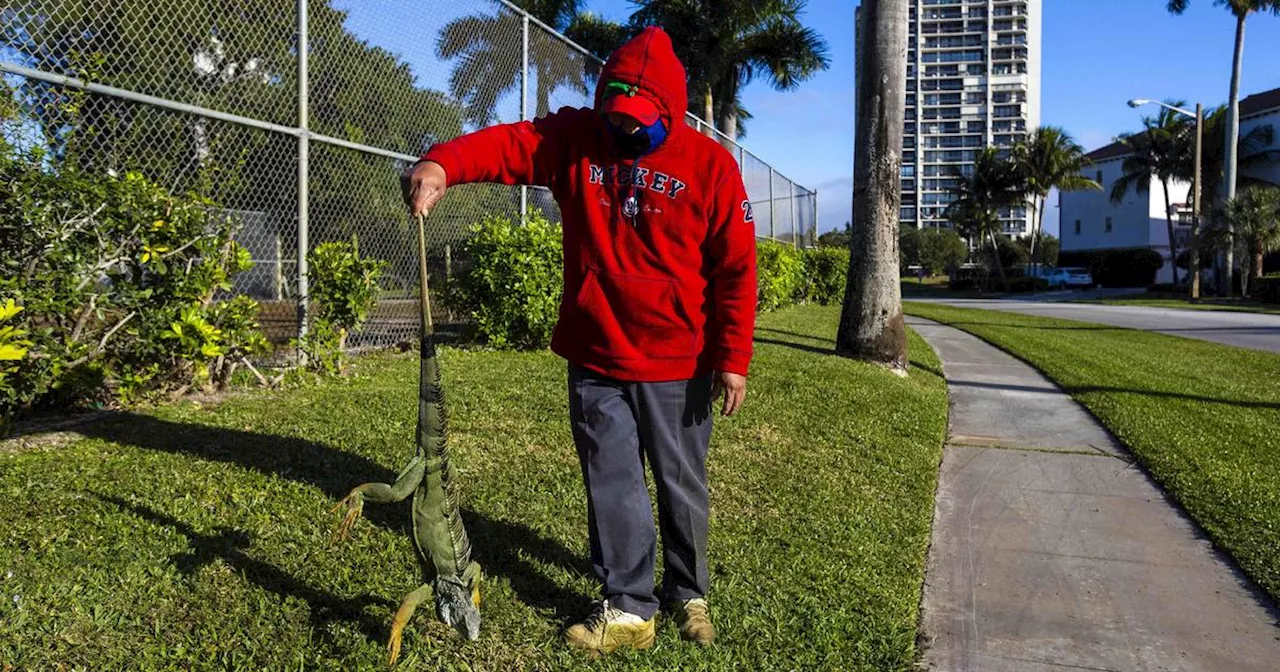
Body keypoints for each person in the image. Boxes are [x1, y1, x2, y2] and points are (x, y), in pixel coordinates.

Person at [401, 26, 757, 655]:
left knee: (680, 483)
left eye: (640, 122)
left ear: (671, 111)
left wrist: (732, 358)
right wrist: (443, 163)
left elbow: (735, 269)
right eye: (616, 118)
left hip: (680, 359)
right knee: (611, 478)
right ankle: (628, 607)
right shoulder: (576, 139)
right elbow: (511, 145)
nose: (625, 132)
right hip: (596, 353)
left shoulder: (712, 167)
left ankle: (689, 591)